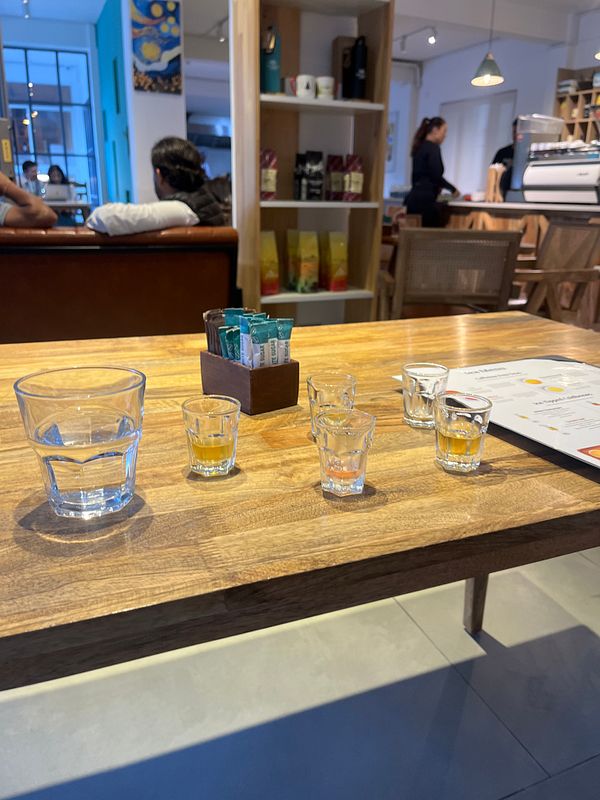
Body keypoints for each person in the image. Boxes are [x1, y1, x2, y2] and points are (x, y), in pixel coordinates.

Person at [87, 136, 225, 236]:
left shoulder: (183, 210)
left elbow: (105, 218)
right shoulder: (204, 202)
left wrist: (97, 212)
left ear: (159, 175)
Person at [405, 116, 459, 228]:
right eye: (444, 131)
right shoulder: (433, 148)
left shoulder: (419, 147)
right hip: (426, 202)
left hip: (413, 199)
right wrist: (453, 190)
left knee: (413, 235)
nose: (445, 135)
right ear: (435, 130)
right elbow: (436, 176)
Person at [491, 118, 518, 199]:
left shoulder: (530, 154)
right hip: (500, 195)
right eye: (514, 132)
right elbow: (492, 174)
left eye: (519, 133)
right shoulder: (502, 152)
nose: (516, 135)